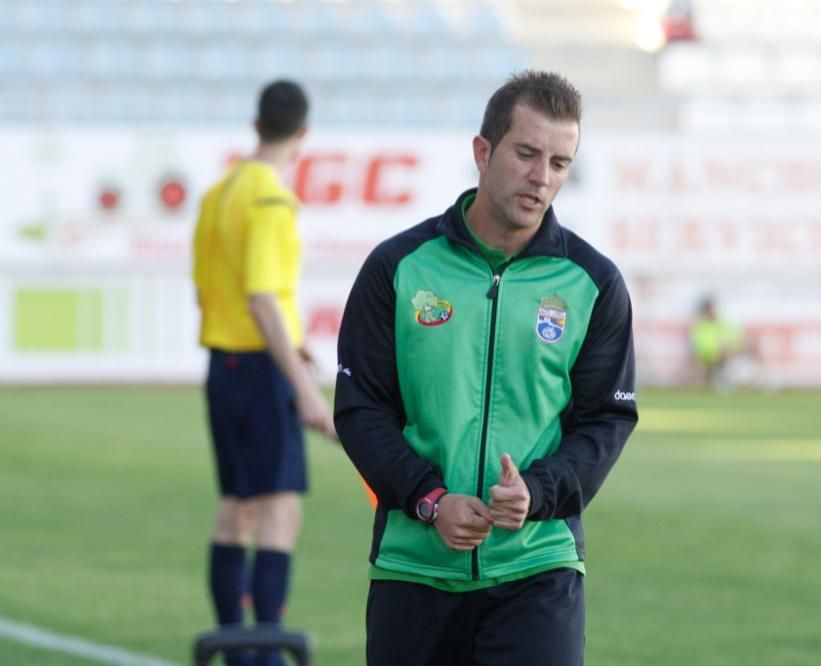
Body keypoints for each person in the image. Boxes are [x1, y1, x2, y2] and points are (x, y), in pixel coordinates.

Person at [333, 70, 638, 666]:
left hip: (537, 567)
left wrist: (539, 491)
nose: (540, 177)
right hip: (413, 568)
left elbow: (606, 420)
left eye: (559, 162)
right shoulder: (398, 268)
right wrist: (429, 499)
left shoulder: (594, 284)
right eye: (526, 153)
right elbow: (360, 408)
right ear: (483, 151)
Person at [192, 79, 335, 666]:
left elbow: (220, 290)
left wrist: (294, 348)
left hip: (224, 366)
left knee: (237, 508)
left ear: (256, 126)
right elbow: (262, 298)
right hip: (258, 369)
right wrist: (303, 389)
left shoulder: (219, 192)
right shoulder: (271, 200)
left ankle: (235, 644)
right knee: (280, 508)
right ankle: (267, 652)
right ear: (302, 134)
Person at [689, 294, 759, 391]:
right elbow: (702, 349)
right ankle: (724, 385)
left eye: (713, 308)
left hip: (730, 355)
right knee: (723, 365)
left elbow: (738, 339)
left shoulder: (724, 322)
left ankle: (748, 387)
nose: (713, 311)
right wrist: (719, 352)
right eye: (710, 309)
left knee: (749, 352)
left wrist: (733, 348)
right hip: (713, 361)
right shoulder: (701, 327)